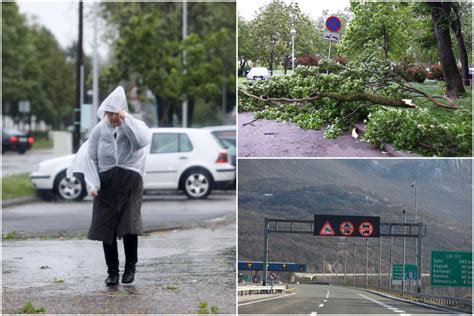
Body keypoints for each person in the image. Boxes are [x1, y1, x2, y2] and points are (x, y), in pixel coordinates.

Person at [67, 86, 151, 286]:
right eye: (110, 113)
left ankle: (130, 266)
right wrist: (93, 184)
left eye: (117, 113)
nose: (114, 117)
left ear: (122, 111)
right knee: (107, 229)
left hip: (130, 182)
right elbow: (91, 158)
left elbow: (140, 142)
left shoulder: (132, 125)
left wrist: (126, 120)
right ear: (105, 113)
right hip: (106, 184)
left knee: (129, 225)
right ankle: (112, 271)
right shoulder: (98, 131)